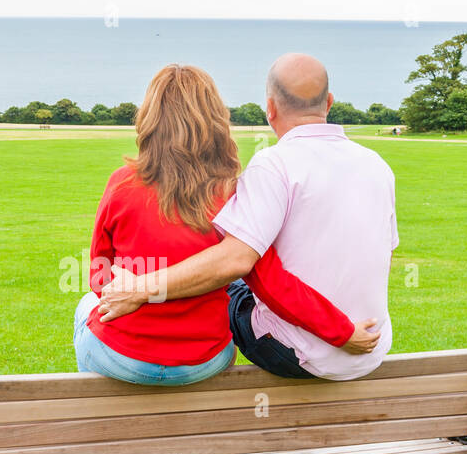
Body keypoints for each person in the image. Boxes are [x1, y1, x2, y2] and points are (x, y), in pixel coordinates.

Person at [98, 52, 397, 381]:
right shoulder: (377, 165)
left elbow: (241, 263)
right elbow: (378, 253)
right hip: (370, 348)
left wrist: (139, 289)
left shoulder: (273, 164)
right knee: (243, 270)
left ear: (270, 108)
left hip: (294, 352)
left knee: (239, 273)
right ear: (328, 102)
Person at [74, 64, 239, 391]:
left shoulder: (122, 183)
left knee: (84, 306)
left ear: (150, 119)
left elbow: (99, 278)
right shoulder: (232, 191)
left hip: (122, 357)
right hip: (206, 358)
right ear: (215, 121)